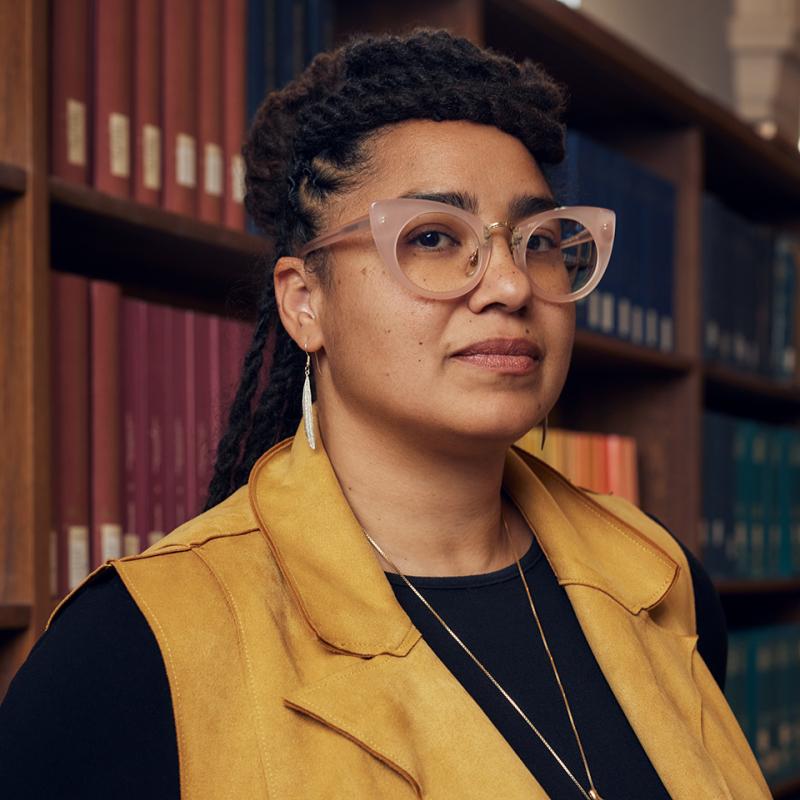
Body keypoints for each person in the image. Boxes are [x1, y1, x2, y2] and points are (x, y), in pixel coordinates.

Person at [0, 28, 770, 800]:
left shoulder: (662, 578)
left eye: (539, 240)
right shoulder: (129, 653)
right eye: (434, 237)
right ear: (306, 302)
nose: (508, 283)